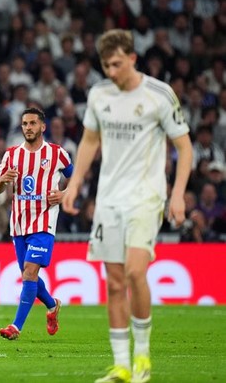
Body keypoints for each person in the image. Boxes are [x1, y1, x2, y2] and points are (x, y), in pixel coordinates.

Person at [61, 29, 193, 383]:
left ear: (133, 58)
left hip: (146, 196)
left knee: (136, 271)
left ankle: (143, 356)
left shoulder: (159, 95)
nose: (112, 72)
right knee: (115, 282)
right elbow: (89, 141)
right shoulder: (99, 94)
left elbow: (185, 147)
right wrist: (74, 183)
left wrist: (178, 193)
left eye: (117, 64)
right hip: (108, 198)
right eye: (106, 65)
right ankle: (120, 365)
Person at [0, 107, 73, 340]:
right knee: (30, 276)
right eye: (25, 124)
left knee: (29, 272)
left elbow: (76, 178)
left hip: (44, 223)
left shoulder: (57, 154)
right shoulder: (11, 155)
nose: (28, 127)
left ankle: (15, 326)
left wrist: (64, 194)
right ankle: (52, 305)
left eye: (32, 123)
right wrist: (2, 181)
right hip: (18, 225)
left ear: (42, 127)